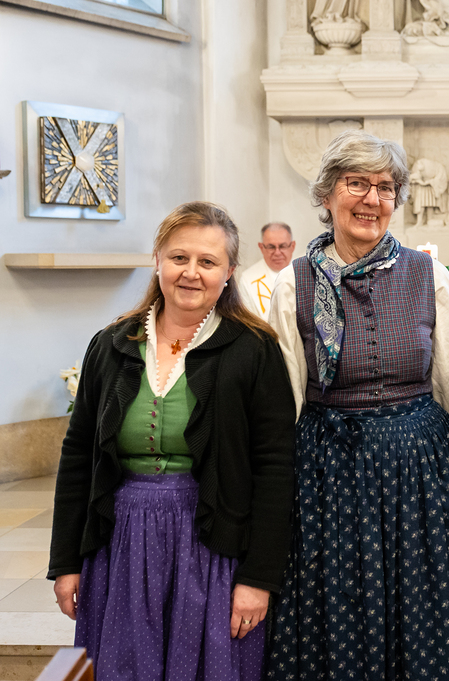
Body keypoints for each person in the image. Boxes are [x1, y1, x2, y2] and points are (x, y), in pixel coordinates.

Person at [48, 202, 296, 681]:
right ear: (157, 259)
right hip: (121, 540)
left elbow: (275, 467)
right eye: (179, 257)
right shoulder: (111, 344)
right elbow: (78, 456)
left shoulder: (253, 348)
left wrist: (258, 579)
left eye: (208, 261)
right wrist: (66, 563)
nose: (191, 273)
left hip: (212, 541)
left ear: (229, 272)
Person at [266, 130, 449, 679]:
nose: (372, 199)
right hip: (330, 472)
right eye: (356, 183)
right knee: (338, 612)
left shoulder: (427, 273)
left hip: (419, 472)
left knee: (423, 612)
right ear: (326, 194)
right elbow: (285, 395)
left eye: (385, 187)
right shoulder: (294, 283)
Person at [239, 222, 296, 319]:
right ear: (261, 248)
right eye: (271, 247)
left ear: (292, 246)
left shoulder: (305, 273)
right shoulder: (247, 280)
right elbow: (248, 321)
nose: (277, 253)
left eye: (282, 246)